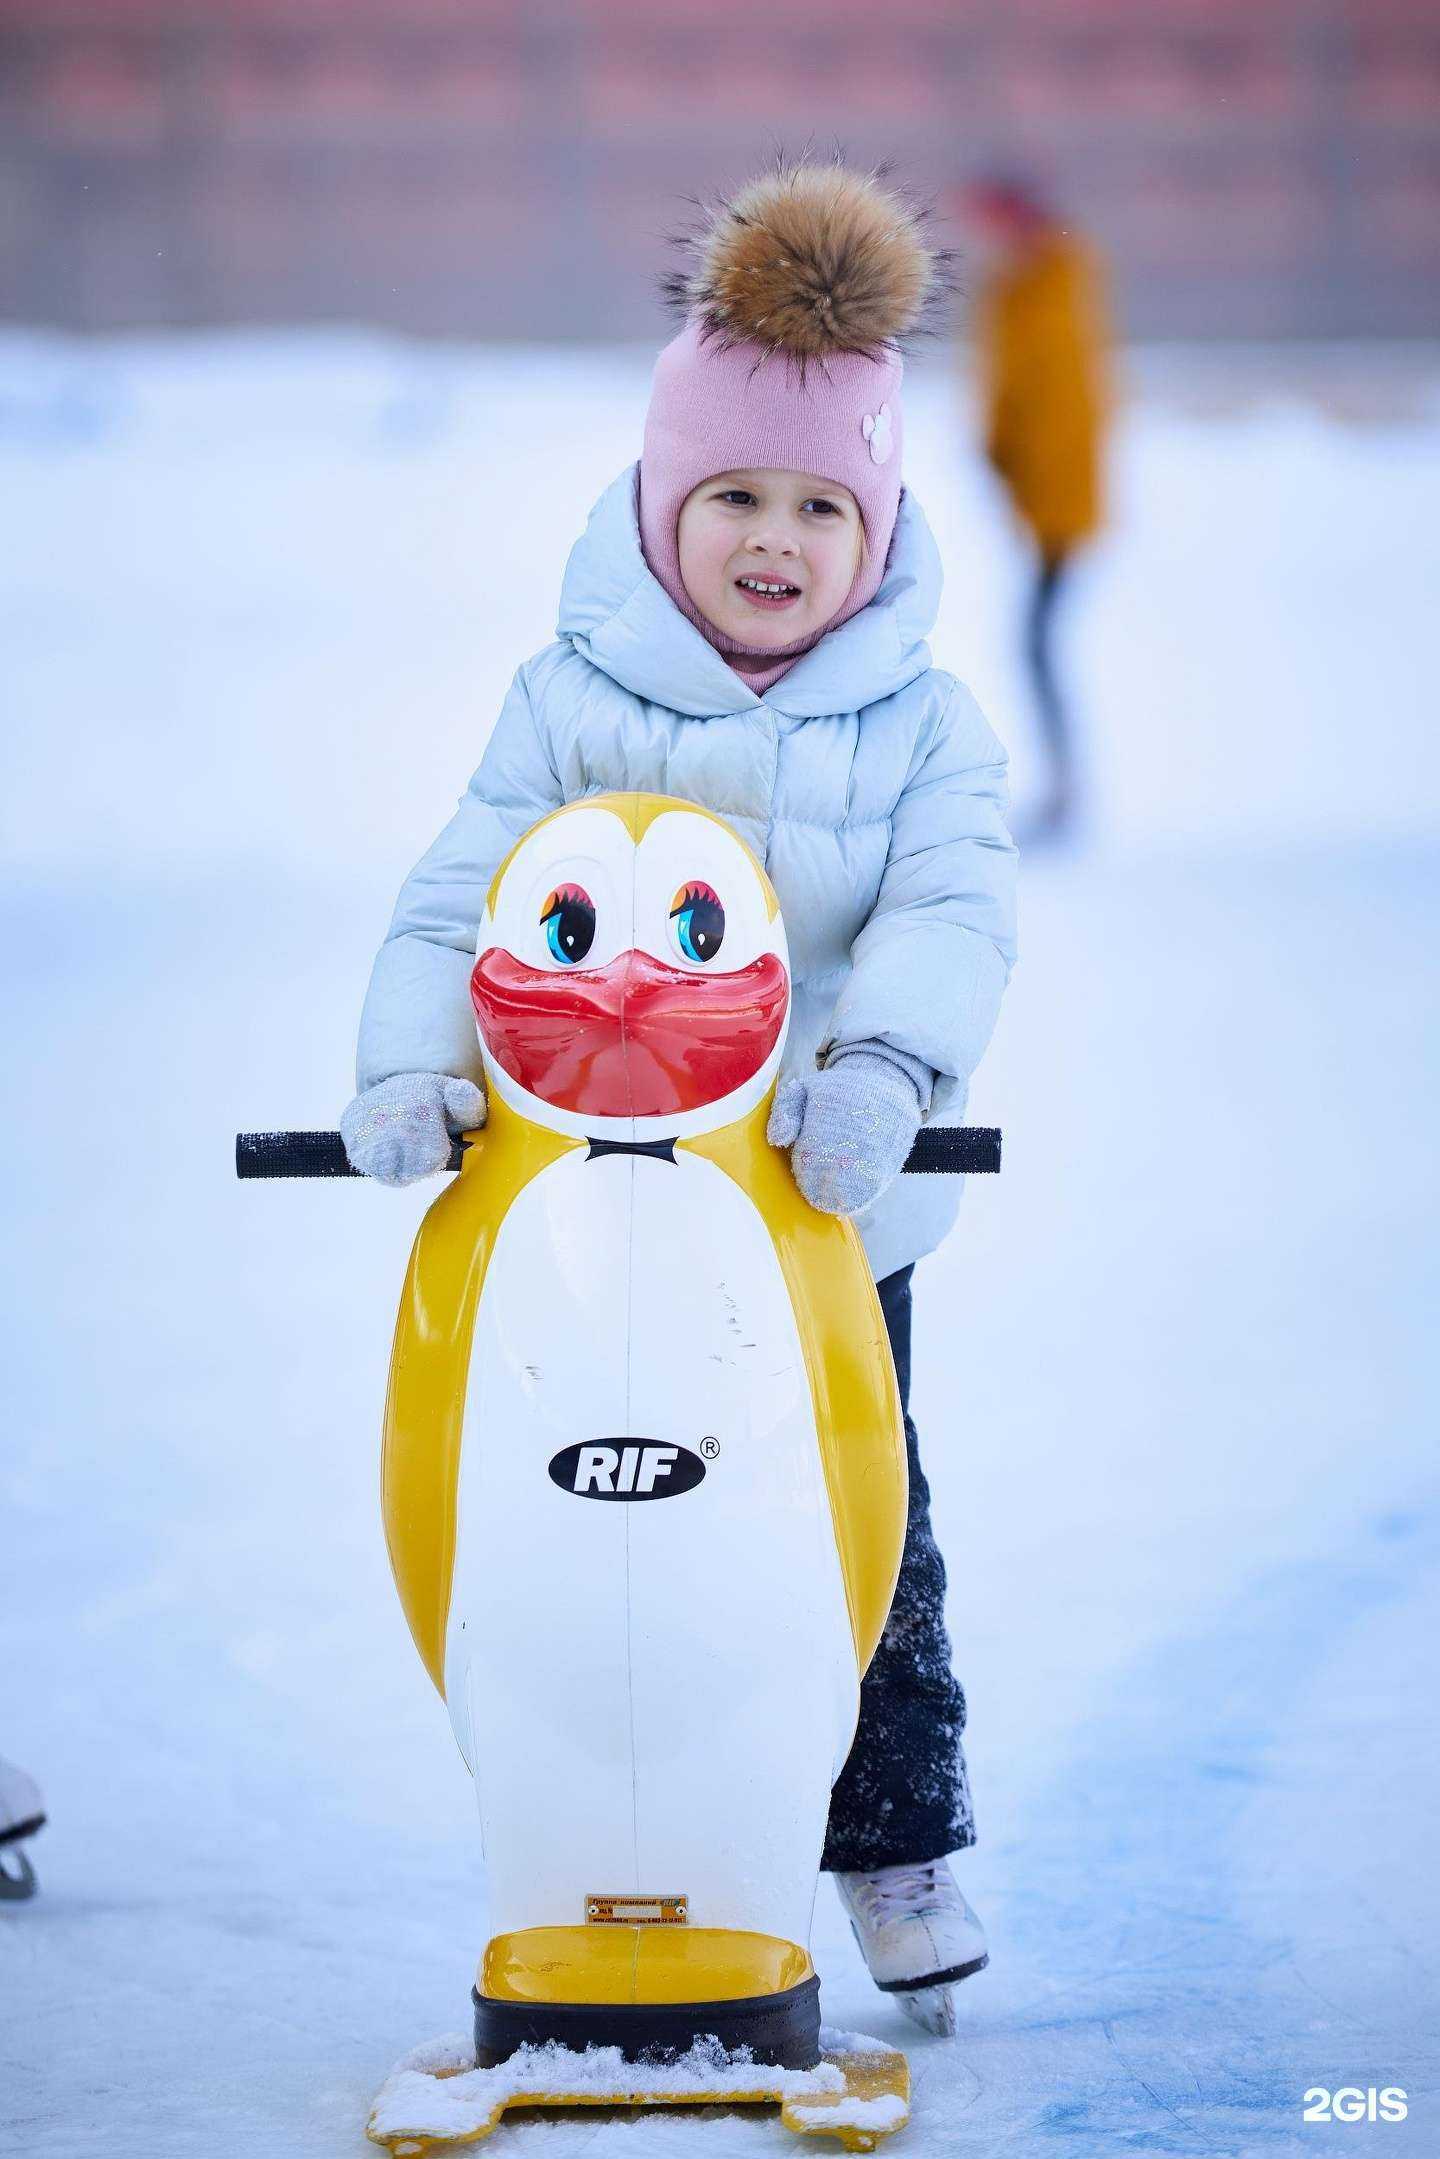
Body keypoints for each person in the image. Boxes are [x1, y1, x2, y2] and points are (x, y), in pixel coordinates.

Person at [341, 157, 1017, 2037]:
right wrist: (408, 1065)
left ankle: (891, 1833)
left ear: (875, 528)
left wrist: (886, 1066)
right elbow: (454, 891)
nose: (777, 539)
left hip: (816, 1209)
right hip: (581, 1217)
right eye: (736, 496)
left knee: (853, 1522)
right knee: (579, 1507)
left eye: (822, 504)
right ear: (664, 505)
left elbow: (956, 908)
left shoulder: (923, 724)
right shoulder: (568, 698)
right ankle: (591, 1818)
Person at [962, 176, 1112, 840]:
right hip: (1045, 500)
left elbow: (1057, 406)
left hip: (1060, 504)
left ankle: (1065, 790)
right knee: (1036, 645)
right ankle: (1062, 787)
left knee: (1037, 644)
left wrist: (1022, 473)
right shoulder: (1021, 289)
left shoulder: (1049, 291)